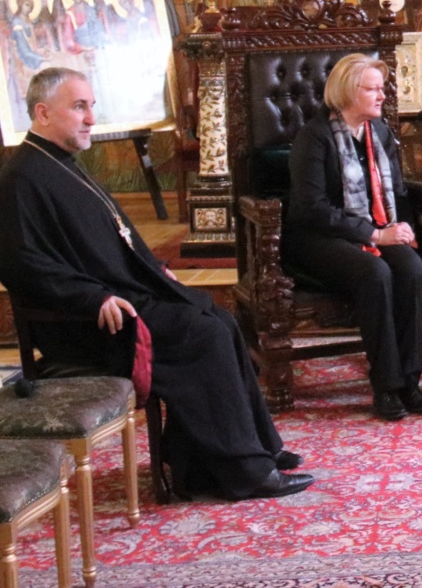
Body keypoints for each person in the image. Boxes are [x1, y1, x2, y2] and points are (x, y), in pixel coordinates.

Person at [0, 68, 309, 500]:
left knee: (221, 320)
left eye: (91, 106)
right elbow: (23, 266)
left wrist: (154, 268)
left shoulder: (59, 163)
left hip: (117, 300)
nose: (91, 118)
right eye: (79, 107)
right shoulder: (21, 178)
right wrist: (92, 298)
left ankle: (246, 452)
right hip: (82, 322)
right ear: (43, 112)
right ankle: (242, 471)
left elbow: (115, 239)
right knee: (203, 335)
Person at [285, 54, 422, 422]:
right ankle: (386, 386)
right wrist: (374, 234)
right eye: (373, 89)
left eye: (381, 88)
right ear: (349, 92)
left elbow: (398, 191)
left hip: (374, 229)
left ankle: (410, 382)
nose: (382, 96)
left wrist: (404, 229)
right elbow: (312, 209)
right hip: (317, 239)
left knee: (411, 267)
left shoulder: (379, 132)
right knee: (375, 272)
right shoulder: (314, 137)